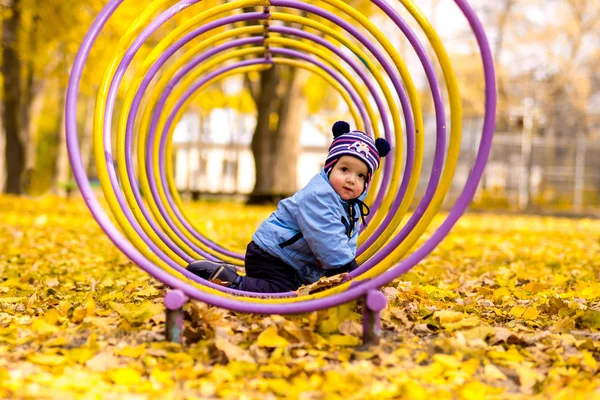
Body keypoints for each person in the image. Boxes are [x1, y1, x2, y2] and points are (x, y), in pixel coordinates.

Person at [187, 121, 391, 293]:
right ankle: (231, 281)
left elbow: (345, 243)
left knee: (293, 285)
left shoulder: (351, 207)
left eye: (361, 175)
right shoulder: (319, 197)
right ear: (329, 168)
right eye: (344, 169)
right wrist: (350, 274)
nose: (351, 180)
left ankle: (229, 272)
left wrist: (349, 272)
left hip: (290, 260)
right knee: (280, 290)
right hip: (271, 256)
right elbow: (329, 242)